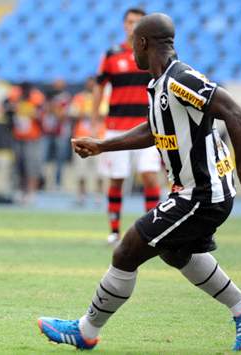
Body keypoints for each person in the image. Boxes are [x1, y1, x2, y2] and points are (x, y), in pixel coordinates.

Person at [38, 13, 241, 351]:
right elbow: (154, 130)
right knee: (176, 252)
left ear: (144, 43)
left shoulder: (182, 78)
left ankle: (86, 330)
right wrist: (102, 145)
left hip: (202, 193)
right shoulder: (161, 83)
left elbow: (236, 114)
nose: (131, 50)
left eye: (134, 43)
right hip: (197, 191)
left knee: (128, 249)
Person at [92, 8, 162, 245]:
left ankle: (150, 232)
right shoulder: (111, 54)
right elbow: (99, 87)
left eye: (138, 22)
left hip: (148, 128)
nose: (133, 26)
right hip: (116, 128)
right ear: (124, 25)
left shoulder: (152, 54)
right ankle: (114, 231)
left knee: (150, 177)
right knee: (116, 179)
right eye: (130, 22)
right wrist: (94, 119)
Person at [68, 77, 105, 205]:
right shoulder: (79, 97)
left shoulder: (102, 97)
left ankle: (98, 196)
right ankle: (81, 195)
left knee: (99, 170)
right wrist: (90, 113)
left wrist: (88, 113)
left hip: (99, 138)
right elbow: (73, 113)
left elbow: (105, 113)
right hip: (81, 137)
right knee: (81, 170)